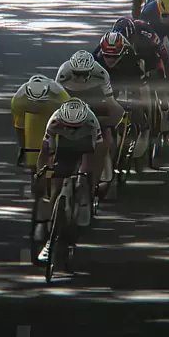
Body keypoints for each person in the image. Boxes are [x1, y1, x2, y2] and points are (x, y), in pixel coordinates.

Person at [55, 50, 124, 191]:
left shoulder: (102, 74)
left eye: (84, 74)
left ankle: (93, 184)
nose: (80, 77)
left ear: (91, 70)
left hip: (95, 100)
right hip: (71, 98)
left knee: (105, 141)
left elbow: (111, 104)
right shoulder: (63, 72)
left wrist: (109, 123)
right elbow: (56, 101)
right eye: (77, 73)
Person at [35, 98, 103, 235]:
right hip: (63, 145)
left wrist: (93, 181)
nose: (72, 130)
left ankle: (86, 201)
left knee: (84, 178)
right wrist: (40, 172)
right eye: (68, 126)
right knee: (56, 185)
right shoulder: (54, 120)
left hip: (86, 142)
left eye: (76, 127)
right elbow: (45, 151)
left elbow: (97, 153)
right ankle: (49, 221)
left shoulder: (91, 120)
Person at [111, 16, 169, 131]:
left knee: (159, 81)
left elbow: (165, 56)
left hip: (148, 55)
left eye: (129, 40)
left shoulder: (146, 33)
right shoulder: (112, 38)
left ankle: (165, 110)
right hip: (128, 58)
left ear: (134, 35)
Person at [93, 32, 151, 153]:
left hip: (125, 80)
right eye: (107, 56)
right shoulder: (95, 58)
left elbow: (142, 89)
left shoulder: (131, 60)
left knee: (138, 111)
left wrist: (144, 110)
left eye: (114, 57)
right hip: (105, 83)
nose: (110, 60)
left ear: (122, 52)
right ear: (102, 52)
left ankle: (141, 132)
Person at [11, 74, 70, 173]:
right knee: (34, 165)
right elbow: (20, 127)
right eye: (35, 102)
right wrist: (23, 148)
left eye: (41, 102)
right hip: (33, 117)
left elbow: (70, 124)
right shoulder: (18, 100)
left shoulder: (61, 97)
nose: (38, 104)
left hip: (55, 114)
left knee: (57, 164)